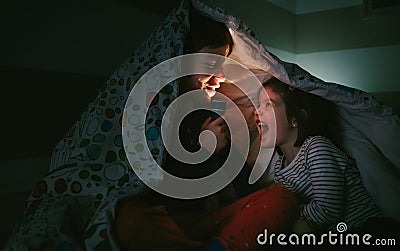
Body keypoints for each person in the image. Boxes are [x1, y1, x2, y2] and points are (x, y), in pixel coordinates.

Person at [113, 8, 299, 251]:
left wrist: (220, 152)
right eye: (212, 63)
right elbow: (150, 187)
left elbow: (243, 187)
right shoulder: (150, 112)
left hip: (202, 221)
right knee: (127, 218)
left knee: (281, 199)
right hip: (161, 218)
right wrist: (203, 152)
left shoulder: (212, 116)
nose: (220, 75)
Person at [255, 77, 383, 233]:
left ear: (295, 118)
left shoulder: (316, 148)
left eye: (268, 104)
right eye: (258, 105)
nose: (257, 111)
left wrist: (285, 219)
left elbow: (328, 209)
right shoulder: (279, 168)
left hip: (365, 229)